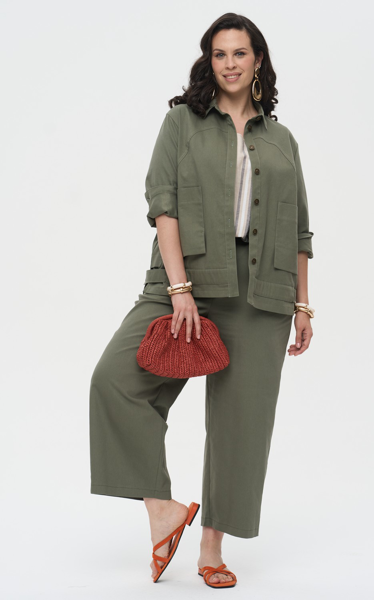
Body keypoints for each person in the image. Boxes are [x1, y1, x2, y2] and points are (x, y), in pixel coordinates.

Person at [89, 12, 315, 589]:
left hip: (263, 292)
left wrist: (302, 305)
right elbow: (162, 204)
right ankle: (163, 511)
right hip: (184, 277)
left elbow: (299, 231)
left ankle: (211, 548)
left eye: (240, 53)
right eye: (220, 54)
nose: (230, 64)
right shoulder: (181, 123)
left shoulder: (282, 140)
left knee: (241, 424)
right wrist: (179, 289)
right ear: (208, 61)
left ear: (257, 60)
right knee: (114, 381)